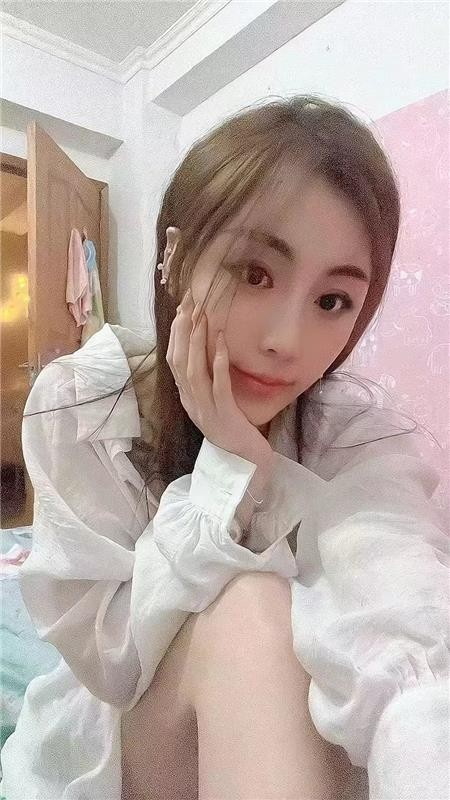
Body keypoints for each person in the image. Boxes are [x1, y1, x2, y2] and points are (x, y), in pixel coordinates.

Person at [1, 94, 448, 800]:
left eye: (332, 301)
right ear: (176, 257)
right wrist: (231, 469)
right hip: (129, 742)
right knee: (252, 607)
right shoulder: (84, 403)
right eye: (254, 273)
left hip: (284, 749)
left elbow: (398, 603)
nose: (285, 341)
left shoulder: (353, 431)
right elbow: (112, 661)